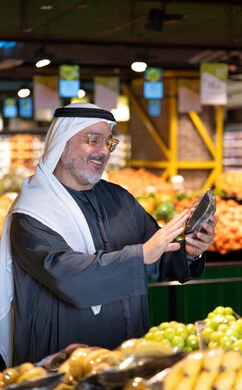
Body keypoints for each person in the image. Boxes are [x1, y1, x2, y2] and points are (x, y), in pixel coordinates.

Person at [0, 102, 216, 368]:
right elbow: (68, 277)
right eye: (93, 140)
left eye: (108, 143)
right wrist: (141, 255)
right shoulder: (32, 213)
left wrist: (190, 252)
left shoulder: (120, 199)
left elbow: (158, 258)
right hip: (60, 361)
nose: (102, 151)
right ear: (62, 142)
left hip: (127, 357)